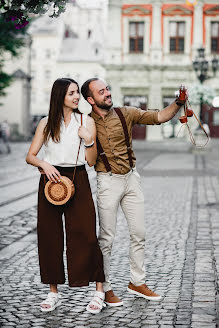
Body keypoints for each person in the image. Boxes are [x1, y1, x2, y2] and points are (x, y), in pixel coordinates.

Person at [81, 78, 186, 306]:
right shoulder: (87, 122)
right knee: (106, 238)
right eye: (102, 92)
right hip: (107, 181)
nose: (108, 93)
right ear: (91, 99)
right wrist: (87, 141)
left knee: (139, 233)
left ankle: (137, 282)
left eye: (107, 89)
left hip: (131, 179)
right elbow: (89, 161)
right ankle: (105, 287)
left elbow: (159, 116)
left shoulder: (125, 113)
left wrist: (178, 102)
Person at [26, 78, 105, 314]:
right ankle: (53, 293)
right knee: (49, 236)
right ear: (60, 96)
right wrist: (44, 164)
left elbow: (91, 162)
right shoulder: (46, 123)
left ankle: (98, 291)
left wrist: (89, 139)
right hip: (50, 182)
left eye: (76, 93)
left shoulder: (86, 121)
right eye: (71, 93)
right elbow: (30, 155)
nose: (76, 97)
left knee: (87, 234)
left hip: (78, 177)